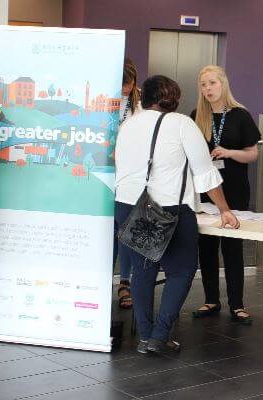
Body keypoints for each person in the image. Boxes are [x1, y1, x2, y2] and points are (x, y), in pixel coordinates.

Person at [114, 75, 239, 354]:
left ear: (144, 98)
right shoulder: (182, 124)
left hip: (126, 205)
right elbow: (205, 174)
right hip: (167, 209)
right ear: (174, 98)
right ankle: (160, 335)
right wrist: (224, 209)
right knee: (180, 271)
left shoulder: (127, 125)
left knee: (142, 272)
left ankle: (145, 337)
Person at [190, 65, 260, 325]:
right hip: (206, 191)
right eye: (204, 85)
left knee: (232, 248)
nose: (208, 89)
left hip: (235, 190)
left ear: (223, 84)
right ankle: (211, 299)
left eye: (212, 83)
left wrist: (228, 153)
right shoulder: (197, 116)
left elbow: (253, 154)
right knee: (206, 246)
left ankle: (237, 304)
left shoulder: (240, 115)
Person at [114, 58, 143, 310]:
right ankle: (103, 280)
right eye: (121, 83)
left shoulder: (139, 106)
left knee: (125, 231)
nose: (125, 88)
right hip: (103, 173)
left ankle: (125, 282)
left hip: (129, 177)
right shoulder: (103, 101)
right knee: (107, 231)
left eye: (129, 83)